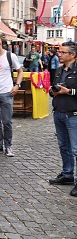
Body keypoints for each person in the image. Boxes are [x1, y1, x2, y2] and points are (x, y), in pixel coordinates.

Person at [48, 42, 77, 197]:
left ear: (73, 55)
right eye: (59, 52)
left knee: (76, 149)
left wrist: (69, 91)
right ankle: (67, 174)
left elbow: (72, 91)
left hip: (73, 114)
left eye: (63, 52)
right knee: (63, 146)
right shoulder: (59, 70)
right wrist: (53, 92)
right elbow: (55, 87)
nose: (60, 54)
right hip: (59, 112)